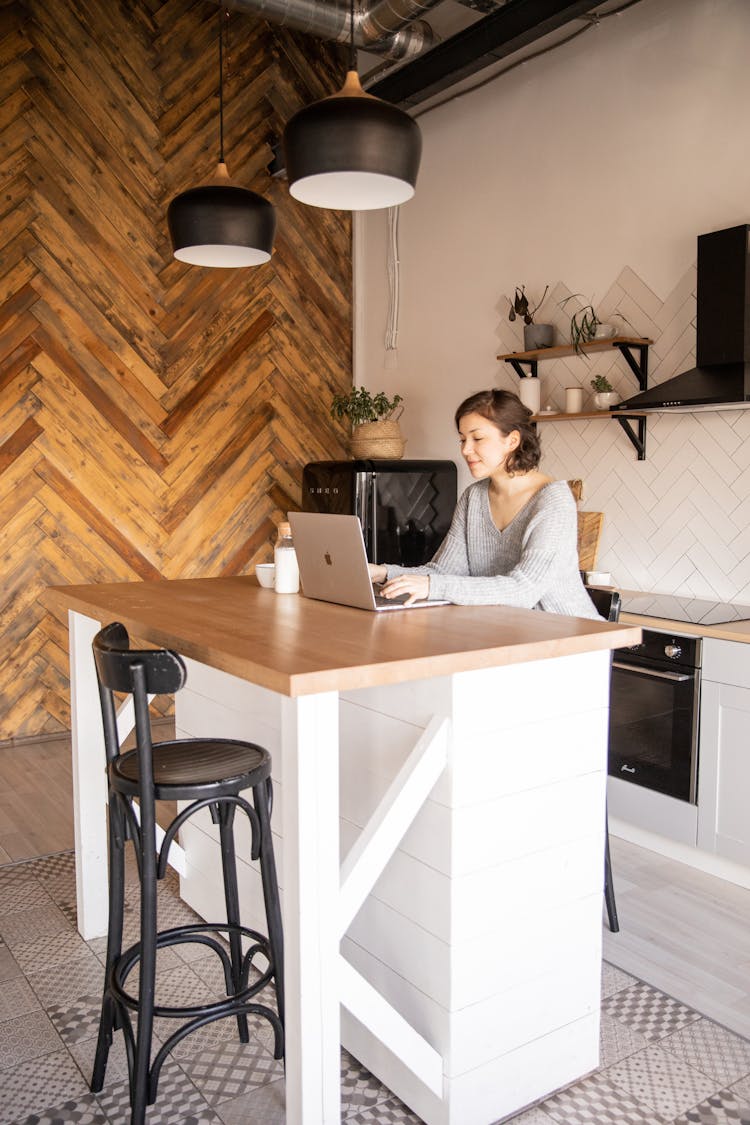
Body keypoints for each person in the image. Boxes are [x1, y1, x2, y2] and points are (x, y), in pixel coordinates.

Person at [368, 388, 601, 618]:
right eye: (462, 439)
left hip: (574, 639)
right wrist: (383, 572)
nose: (466, 450)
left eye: (477, 438)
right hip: (509, 633)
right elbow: (444, 572)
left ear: (512, 440)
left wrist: (432, 586)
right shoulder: (474, 497)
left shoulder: (553, 501)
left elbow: (524, 590)